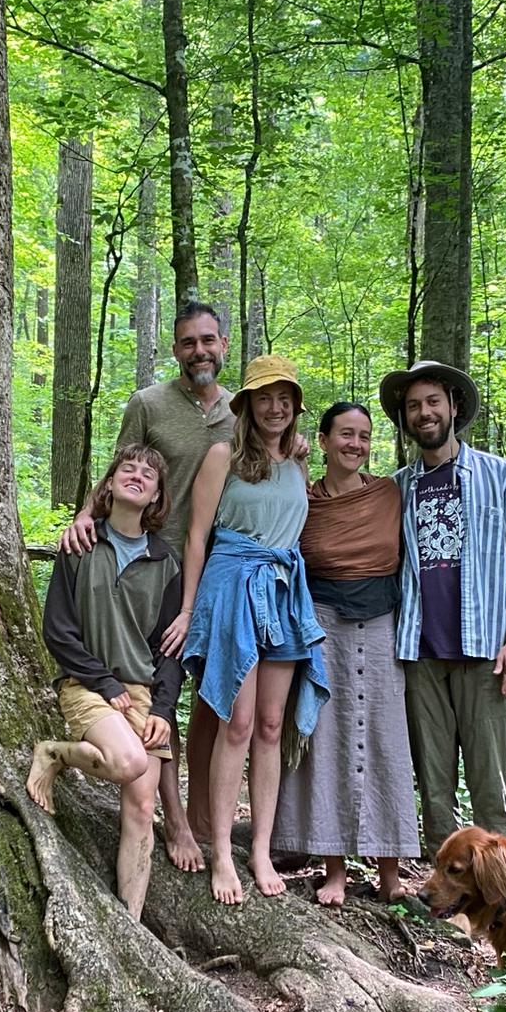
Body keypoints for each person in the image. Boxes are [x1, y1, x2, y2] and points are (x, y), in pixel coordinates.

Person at [59, 302, 233, 874]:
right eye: (188, 342)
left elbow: (265, 455)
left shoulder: (240, 412)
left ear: (224, 344)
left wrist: (300, 450)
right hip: (158, 561)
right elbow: (119, 468)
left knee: (211, 696)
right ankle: (176, 821)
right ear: (176, 349)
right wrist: (88, 515)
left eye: (208, 340)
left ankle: (212, 826)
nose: (199, 351)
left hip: (222, 567)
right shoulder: (150, 404)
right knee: (162, 685)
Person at [160, 355, 328, 906]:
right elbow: (196, 538)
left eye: (285, 398)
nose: (275, 408)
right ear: (248, 406)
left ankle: (259, 848)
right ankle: (222, 853)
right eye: (264, 398)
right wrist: (188, 611)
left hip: (282, 588)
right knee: (237, 721)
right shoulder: (222, 456)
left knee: (273, 726)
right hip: (232, 585)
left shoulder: (298, 463)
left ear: (295, 407)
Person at [381, 359, 506, 848]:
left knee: (491, 784)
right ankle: (447, 893)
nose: (424, 413)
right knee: (433, 786)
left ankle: (501, 894)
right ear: (405, 419)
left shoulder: (498, 475)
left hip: (484, 654)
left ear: (453, 406)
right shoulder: (396, 488)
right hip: (421, 654)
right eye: (413, 406)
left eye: (432, 402)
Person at [273, 402, 419, 905]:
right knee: (327, 739)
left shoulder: (388, 493)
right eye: (345, 435)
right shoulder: (305, 497)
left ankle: (391, 872)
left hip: (382, 625)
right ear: (325, 438)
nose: (354, 445)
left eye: (363, 436)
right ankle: (333, 868)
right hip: (322, 624)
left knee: (385, 737)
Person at [27, 444, 180, 921]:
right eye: (126, 469)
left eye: (148, 474)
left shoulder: (165, 562)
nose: (137, 475)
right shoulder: (81, 545)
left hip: (143, 694)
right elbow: (59, 631)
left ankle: (129, 923)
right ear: (108, 486)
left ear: (156, 496)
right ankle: (54, 753)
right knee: (127, 762)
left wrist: (162, 710)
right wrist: (104, 683)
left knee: (140, 813)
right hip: (87, 684)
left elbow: (170, 650)